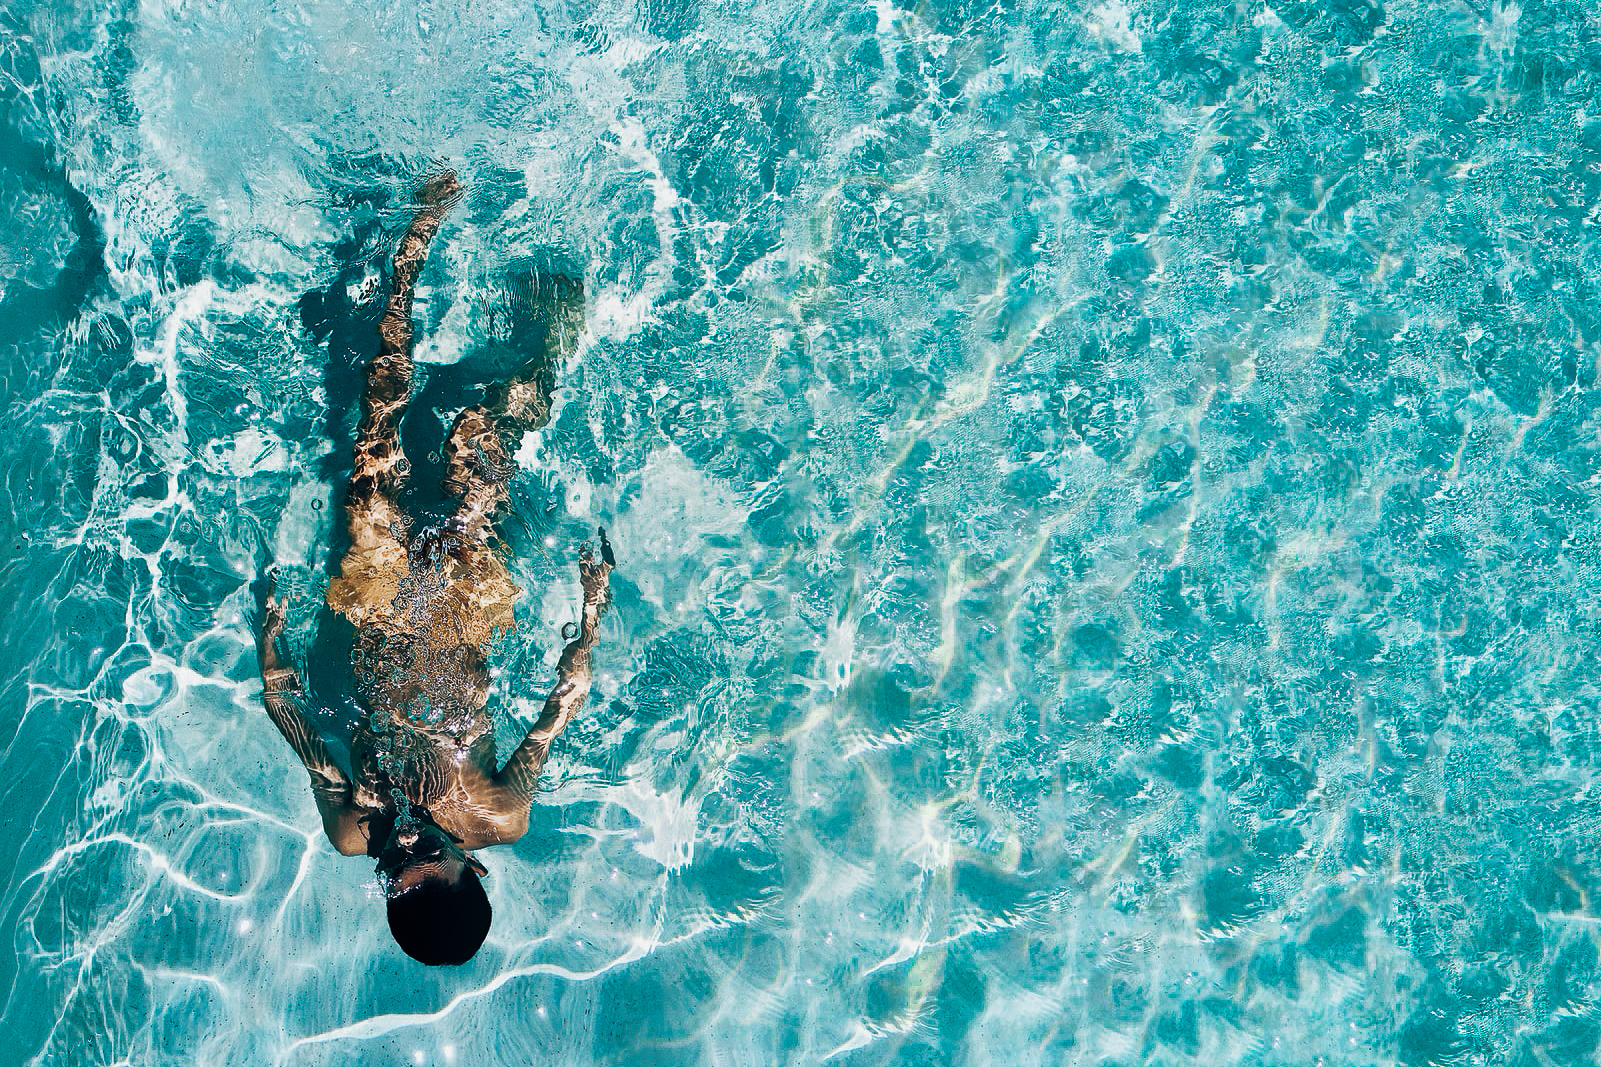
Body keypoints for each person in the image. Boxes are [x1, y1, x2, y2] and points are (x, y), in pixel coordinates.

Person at [255, 170, 612, 966]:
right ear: (471, 862)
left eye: (394, 870)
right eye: (430, 856)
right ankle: (548, 334)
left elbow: (295, 724)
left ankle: (413, 253)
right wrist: (591, 614)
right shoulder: (497, 810)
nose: (405, 842)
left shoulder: (354, 829)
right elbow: (563, 703)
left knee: (372, 443)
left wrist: (271, 641)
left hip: (379, 603)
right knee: (484, 431)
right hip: (462, 605)